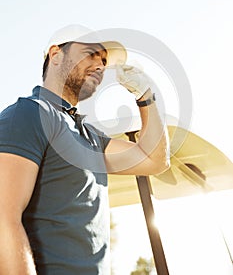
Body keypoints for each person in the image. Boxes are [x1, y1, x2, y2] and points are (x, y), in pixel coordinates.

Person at [0, 24, 170, 275]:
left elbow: (154, 160)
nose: (100, 65)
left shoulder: (91, 137)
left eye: (103, 60)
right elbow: (3, 217)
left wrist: (145, 95)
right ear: (56, 55)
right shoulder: (29, 114)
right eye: (90, 54)